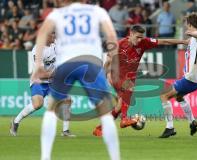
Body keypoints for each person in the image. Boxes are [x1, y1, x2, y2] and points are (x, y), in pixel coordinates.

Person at [31, 0, 120, 160]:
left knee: (51, 109)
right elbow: (111, 36)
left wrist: (38, 65)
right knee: (105, 112)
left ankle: (45, 157)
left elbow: (42, 34)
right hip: (90, 63)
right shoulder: (97, 11)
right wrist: (115, 62)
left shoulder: (57, 14)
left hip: (66, 63)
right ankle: (115, 157)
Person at [93, 25, 187, 137]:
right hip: (115, 75)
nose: (139, 40)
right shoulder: (119, 44)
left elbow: (164, 41)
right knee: (129, 88)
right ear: (131, 34)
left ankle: (99, 129)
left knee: (119, 107)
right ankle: (124, 120)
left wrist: (184, 41)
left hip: (129, 77)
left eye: (141, 37)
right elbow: (108, 61)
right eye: (137, 37)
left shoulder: (144, 42)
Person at [159, 13, 197, 138]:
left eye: (187, 24)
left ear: (190, 24)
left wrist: (191, 33)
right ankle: (192, 122)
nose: (186, 26)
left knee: (164, 95)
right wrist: (162, 41)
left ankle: (169, 127)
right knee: (179, 97)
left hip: (191, 78)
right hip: (196, 80)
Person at [10, 32, 75, 137]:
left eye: (54, 34)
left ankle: (65, 131)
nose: (54, 36)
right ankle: (16, 121)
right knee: (38, 104)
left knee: (67, 100)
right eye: (52, 35)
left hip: (53, 81)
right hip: (39, 81)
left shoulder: (56, 44)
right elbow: (40, 74)